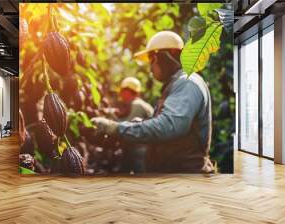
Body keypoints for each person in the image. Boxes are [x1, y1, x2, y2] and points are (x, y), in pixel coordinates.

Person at [91, 31, 214, 173]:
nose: (150, 67)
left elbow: (168, 126)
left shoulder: (187, 83)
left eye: (151, 59)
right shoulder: (175, 85)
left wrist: (117, 128)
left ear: (163, 56)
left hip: (185, 178)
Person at [117, 77, 153, 173]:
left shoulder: (137, 105)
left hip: (140, 149)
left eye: (122, 91)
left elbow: (128, 127)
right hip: (139, 147)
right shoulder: (138, 104)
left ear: (128, 92)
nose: (120, 94)